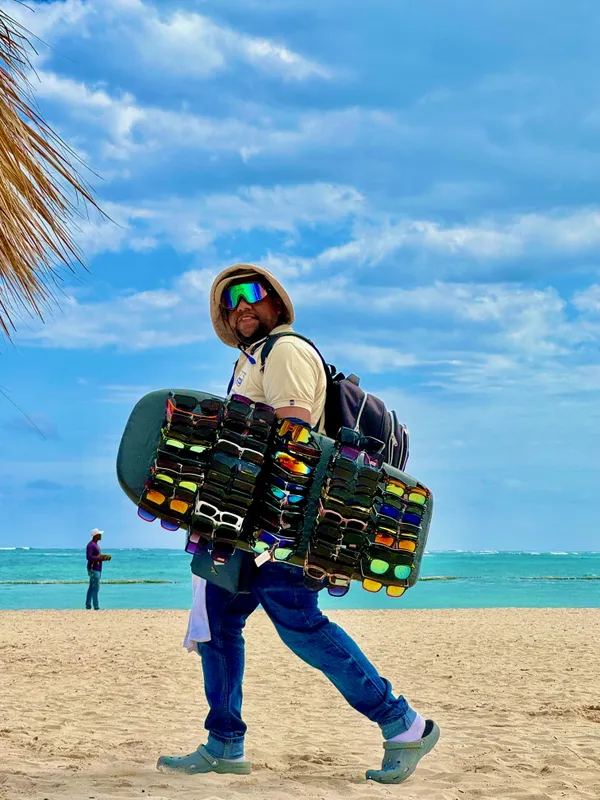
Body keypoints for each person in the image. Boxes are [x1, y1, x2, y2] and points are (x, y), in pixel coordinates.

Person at [157, 264, 439, 784]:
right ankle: (224, 743)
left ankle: (404, 725)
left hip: (281, 526)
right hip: (248, 525)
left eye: (251, 294)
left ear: (275, 303)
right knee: (218, 624)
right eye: (229, 300)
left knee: (302, 626)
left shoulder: (284, 351)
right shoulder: (253, 359)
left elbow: (292, 440)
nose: (240, 305)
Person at [85, 528, 110, 610]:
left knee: (92, 587)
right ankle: (96, 606)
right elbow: (89, 557)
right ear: (96, 535)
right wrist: (101, 559)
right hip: (93, 569)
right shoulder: (91, 545)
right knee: (96, 587)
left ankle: (88, 605)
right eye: (99, 534)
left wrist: (103, 557)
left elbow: (95, 556)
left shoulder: (95, 545)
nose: (101, 535)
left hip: (96, 568)